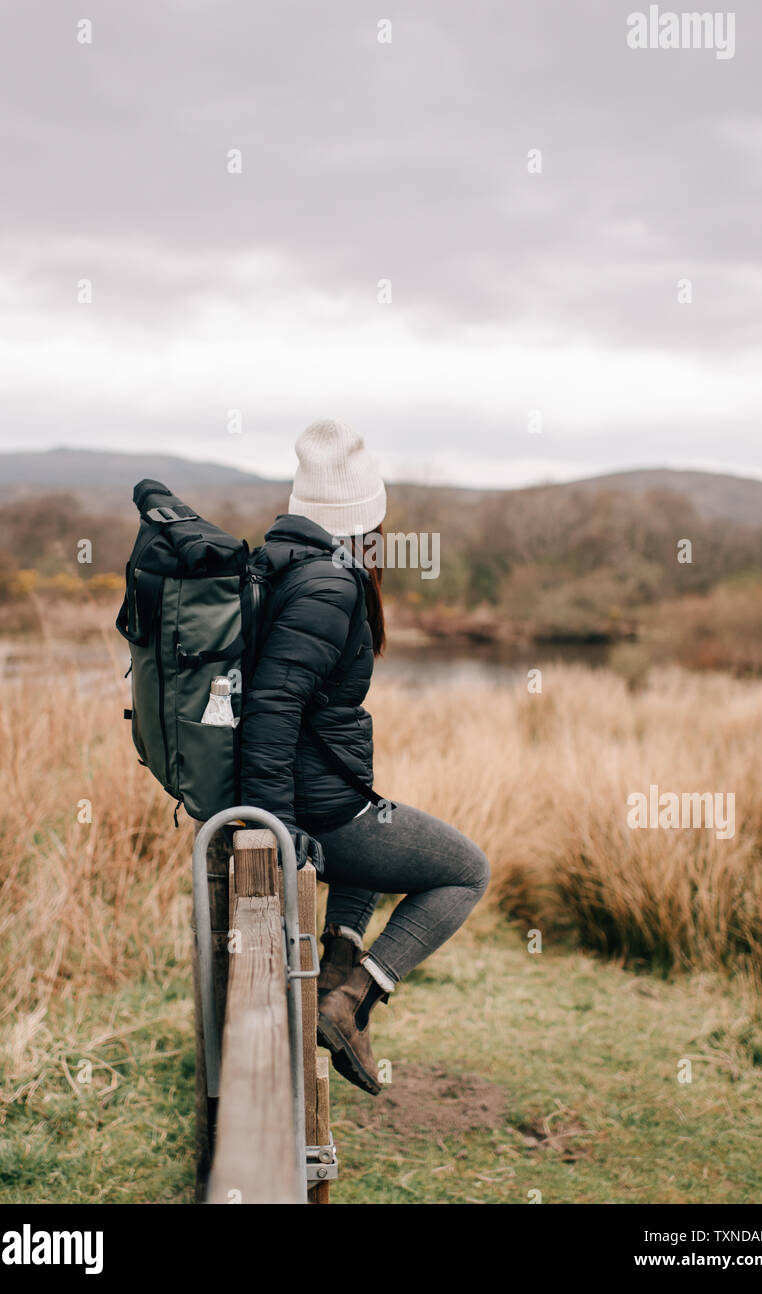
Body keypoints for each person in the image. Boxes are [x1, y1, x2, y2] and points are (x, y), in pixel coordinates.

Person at [240, 419, 490, 1094]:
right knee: (466, 871)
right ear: (363, 517)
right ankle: (353, 1000)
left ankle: (336, 969)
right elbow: (272, 704)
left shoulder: (282, 563)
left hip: (323, 797)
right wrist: (275, 823)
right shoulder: (329, 584)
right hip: (313, 810)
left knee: (380, 813)